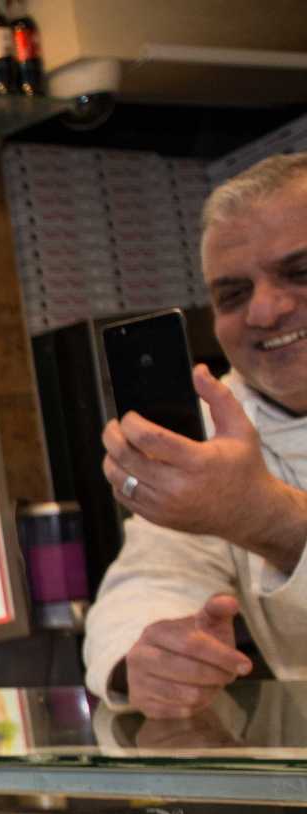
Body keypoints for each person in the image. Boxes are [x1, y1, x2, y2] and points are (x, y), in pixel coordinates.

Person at [84, 152, 307, 718]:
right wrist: (149, 655)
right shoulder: (221, 426)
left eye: (300, 272)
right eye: (233, 294)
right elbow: (151, 576)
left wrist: (265, 516)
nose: (265, 311)